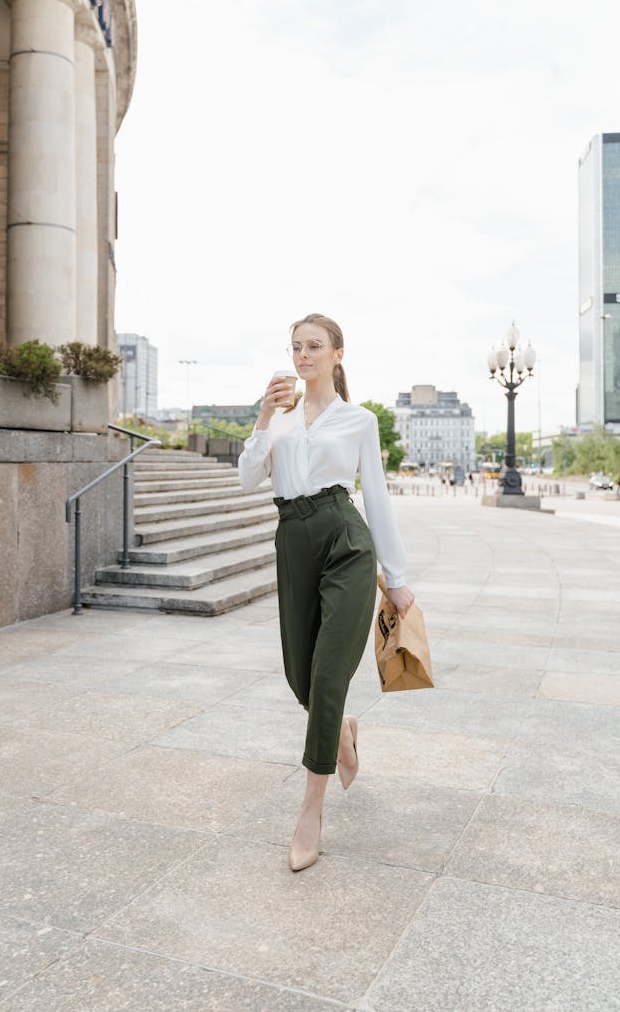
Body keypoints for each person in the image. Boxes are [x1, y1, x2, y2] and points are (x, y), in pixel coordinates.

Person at [238, 313, 415, 872]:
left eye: (314, 346)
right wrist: (264, 417)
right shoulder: (280, 418)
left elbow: (378, 498)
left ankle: (309, 812)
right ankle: (340, 727)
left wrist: (398, 577)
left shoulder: (359, 420)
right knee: (300, 675)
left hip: (345, 541)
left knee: (329, 671)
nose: (303, 355)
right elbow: (247, 478)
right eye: (296, 347)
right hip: (292, 540)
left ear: (338, 354)